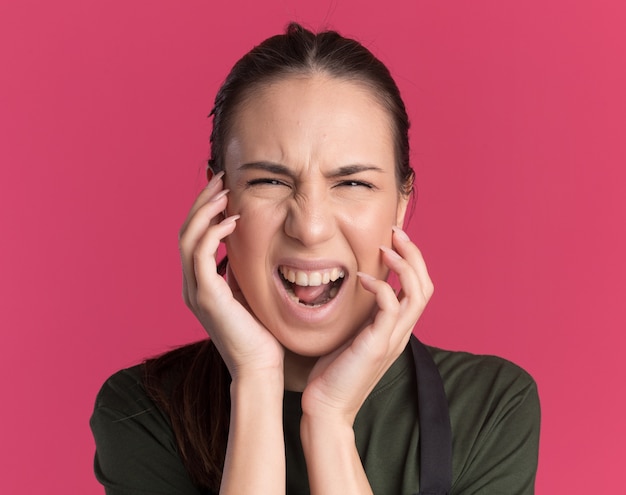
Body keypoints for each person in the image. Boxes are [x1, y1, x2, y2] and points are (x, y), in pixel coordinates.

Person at [90, 23, 540, 495]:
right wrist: (256, 380)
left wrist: (329, 421)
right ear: (217, 200)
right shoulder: (142, 412)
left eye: (352, 183)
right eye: (270, 182)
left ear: (401, 203)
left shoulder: (491, 407)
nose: (309, 227)